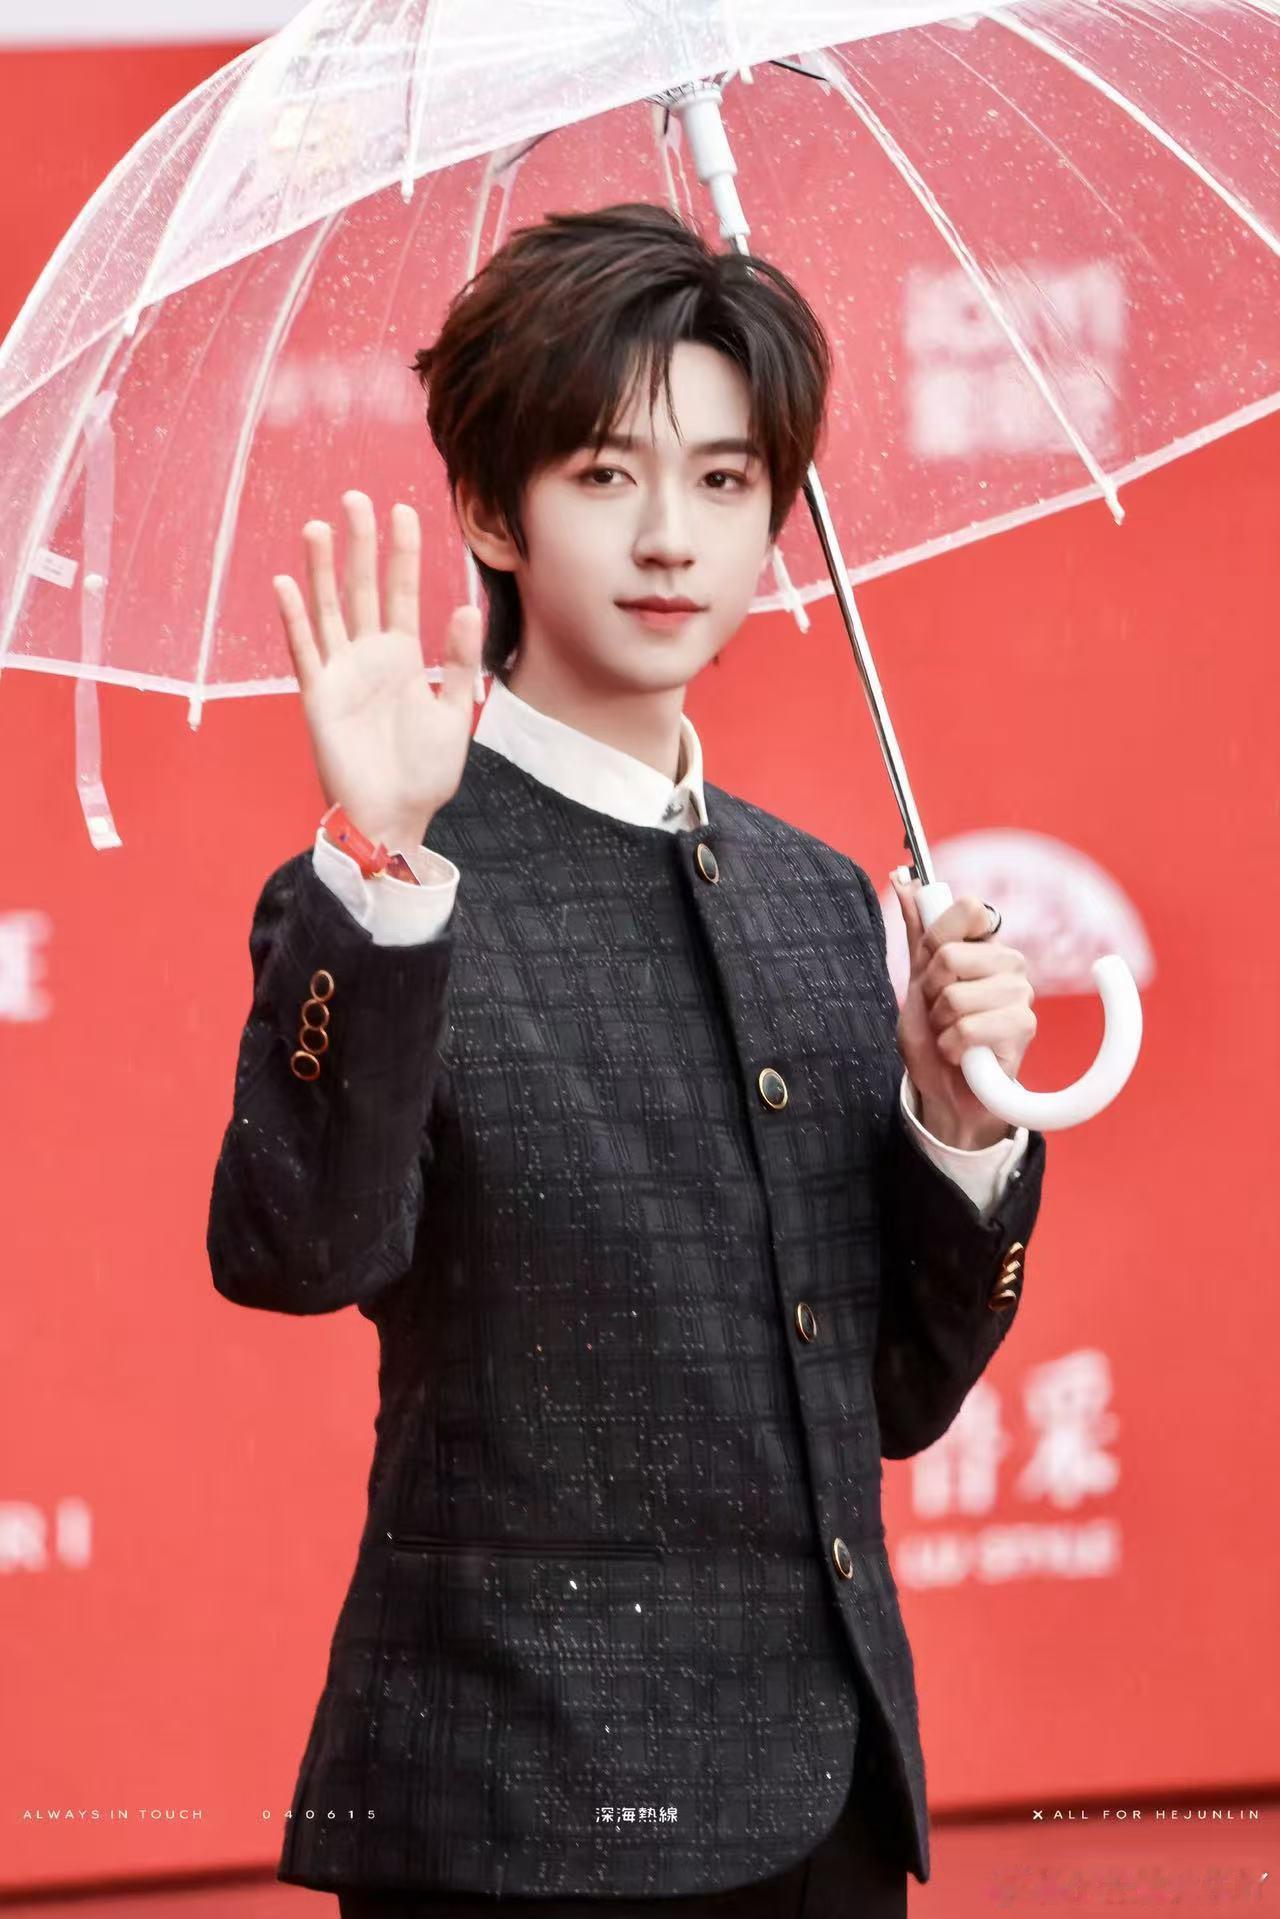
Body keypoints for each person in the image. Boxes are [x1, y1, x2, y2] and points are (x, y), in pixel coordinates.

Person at [207, 203, 1046, 1915]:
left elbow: (895, 1398)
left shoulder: (820, 898)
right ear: (486, 510)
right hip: (514, 1814)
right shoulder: (393, 883)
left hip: (824, 1803)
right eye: (606, 474)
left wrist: (959, 1130)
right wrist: (377, 866)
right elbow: (298, 1255)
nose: (672, 538)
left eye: (726, 481)